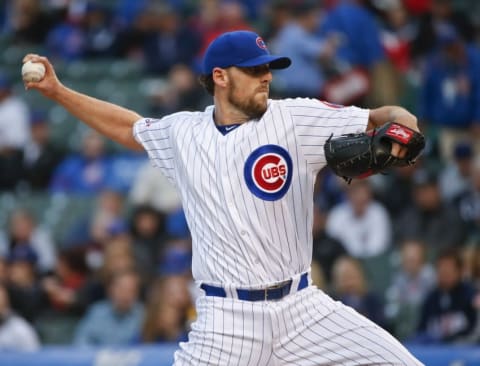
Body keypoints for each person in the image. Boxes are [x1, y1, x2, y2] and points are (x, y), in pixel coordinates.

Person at [24, 30, 422, 365]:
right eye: (252, 70)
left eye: (267, 68)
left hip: (303, 309)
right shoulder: (183, 133)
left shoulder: (295, 118)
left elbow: (383, 116)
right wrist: (58, 92)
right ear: (220, 76)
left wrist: (404, 127)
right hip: (227, 320)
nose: (265, 77)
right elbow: (130, 128)